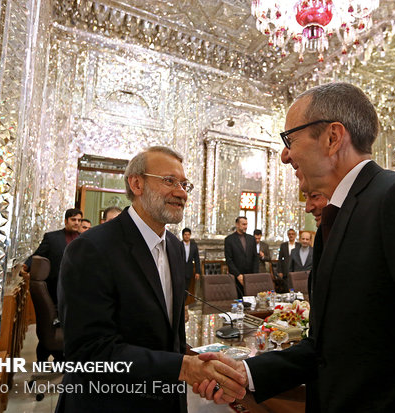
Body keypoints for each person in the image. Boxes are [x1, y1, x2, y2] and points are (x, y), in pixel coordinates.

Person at [194, 82, 395, 411]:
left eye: (290, 139)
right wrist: (247, 372)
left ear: (332, 138)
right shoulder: (334, 222)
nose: (284, 155)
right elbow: (328, 348)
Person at [56, 147, 246, 412]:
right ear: (137, 183)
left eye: (184, 184)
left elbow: (171, 338)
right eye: (169, 181)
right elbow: (89, 353)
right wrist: (183, 368)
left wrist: (201, 371)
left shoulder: (175, 247)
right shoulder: (92, 248)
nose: (181, 193)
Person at [24, 207, 82, 363]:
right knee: (50, 327)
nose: (76, 223)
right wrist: (25, 266)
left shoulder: (85, 240)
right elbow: (38, 254)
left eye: (79, 220)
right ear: (66, 221)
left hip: (75, 291)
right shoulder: (52, 238)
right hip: (53, 290)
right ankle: (45, 361)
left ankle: (61, 360)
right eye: (73, 220)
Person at [224, 217, 259, 297]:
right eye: (243, 224)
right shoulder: (229, 240)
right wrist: (238, 275)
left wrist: (255, 275)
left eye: (246, 224)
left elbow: (255, 258)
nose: (245, 226)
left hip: (250, 276)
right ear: (237, 225)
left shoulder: (251, 239)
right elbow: (229, 260)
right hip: (236, 277)